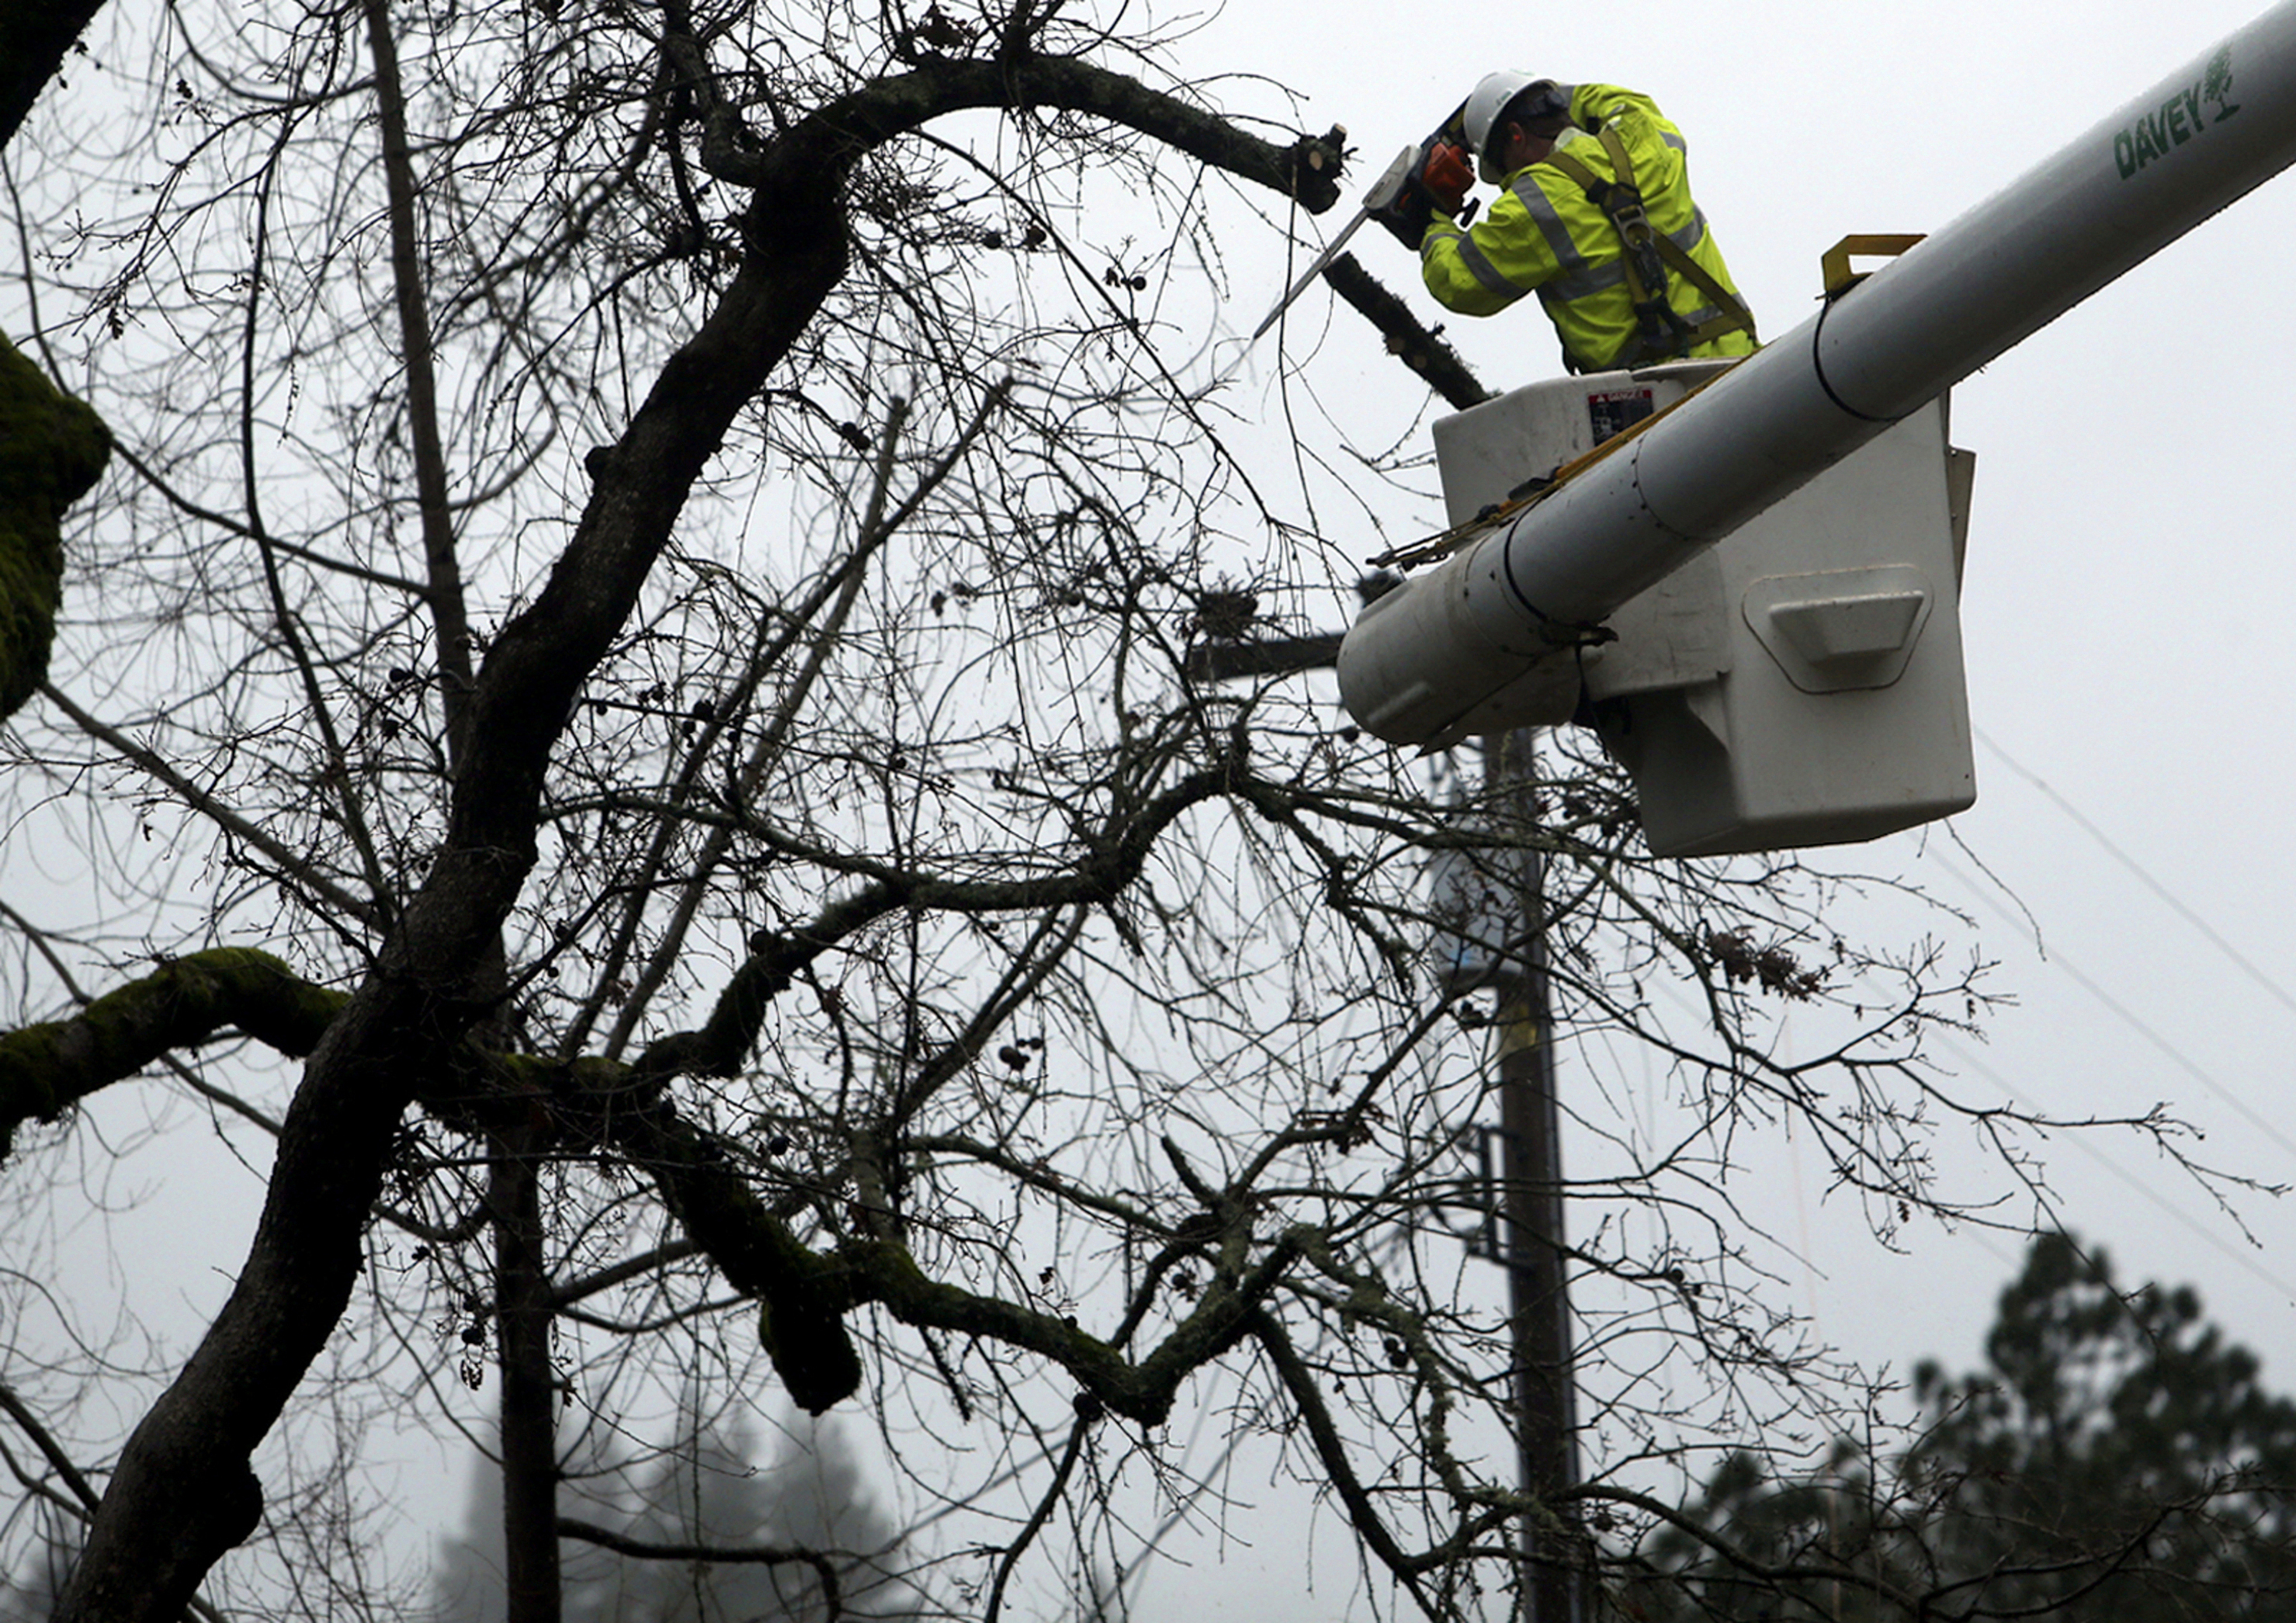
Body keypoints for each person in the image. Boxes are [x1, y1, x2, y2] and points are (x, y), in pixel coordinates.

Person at [1411, 75, 1757, 375]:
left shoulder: (1533, 206)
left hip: (1658, 402)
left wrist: (1431, 219)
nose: (1509, 179)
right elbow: (1619, 100)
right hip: (1740, 364)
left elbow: (1458, 281)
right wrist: (1542, 97)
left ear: (1516, 136)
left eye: (1501, 166)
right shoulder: (1646, 136)